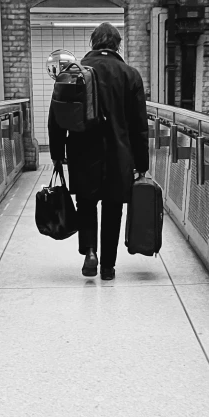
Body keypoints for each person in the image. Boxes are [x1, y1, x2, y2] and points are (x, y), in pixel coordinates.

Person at [48, 22, 149, 280]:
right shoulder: (130, 75)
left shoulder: (73, 71)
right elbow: (139, 125)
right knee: (113, 208)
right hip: (119, 152)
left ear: (93, 43)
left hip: (82, 151)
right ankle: (108, 267)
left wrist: (57, 153)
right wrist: (142, 163)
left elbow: (56, 116)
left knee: (86, 204)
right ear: (117, 45)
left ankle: (90, 252)